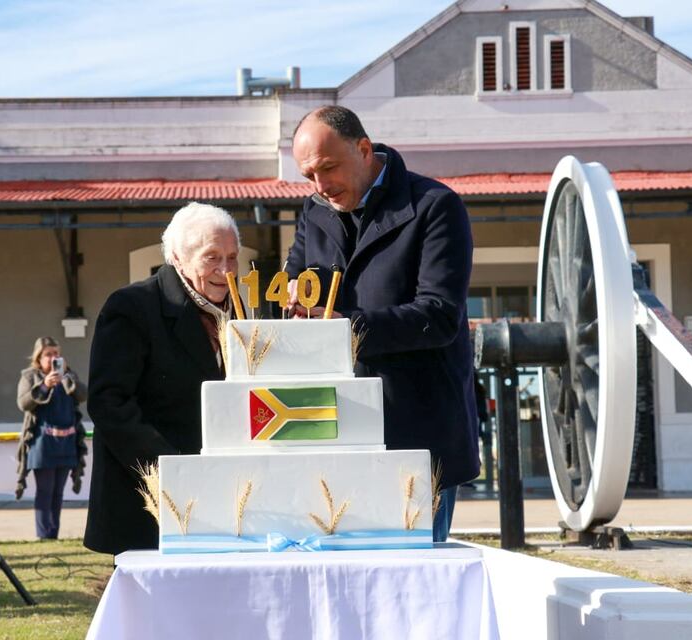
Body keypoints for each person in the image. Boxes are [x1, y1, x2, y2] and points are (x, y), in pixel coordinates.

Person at [286, 106, 479, 542]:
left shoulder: (435, 206)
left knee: (417, 586)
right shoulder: (313, 210)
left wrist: (344, 329)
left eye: (328, 168)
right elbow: (297, 277)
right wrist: (295, 294)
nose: (320, 186)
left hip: (416, 426)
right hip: (334, 429)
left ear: (364, 149)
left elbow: (439, 316)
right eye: (308, 176)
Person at [84, 202, 240, 554]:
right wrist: (172, 473)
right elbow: (109, 404)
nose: (226, 270)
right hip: (149, 505)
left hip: (224, 499)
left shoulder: (243, 312)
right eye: (211, 257)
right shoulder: (132, 306)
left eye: (233, 257)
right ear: (177, 258)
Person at [16, 337, 88, 539]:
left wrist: (66, 378)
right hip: (42, 443)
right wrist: (44, 386)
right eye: (48, 354)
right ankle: (43, 534)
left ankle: (53, 534)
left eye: (56, 353)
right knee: (45, 490)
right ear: (38, 357)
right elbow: (23, 404)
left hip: (66, 443)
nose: (54, 357)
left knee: (58, 492)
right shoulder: (30, 376)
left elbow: (83, 395)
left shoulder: (68, 375)